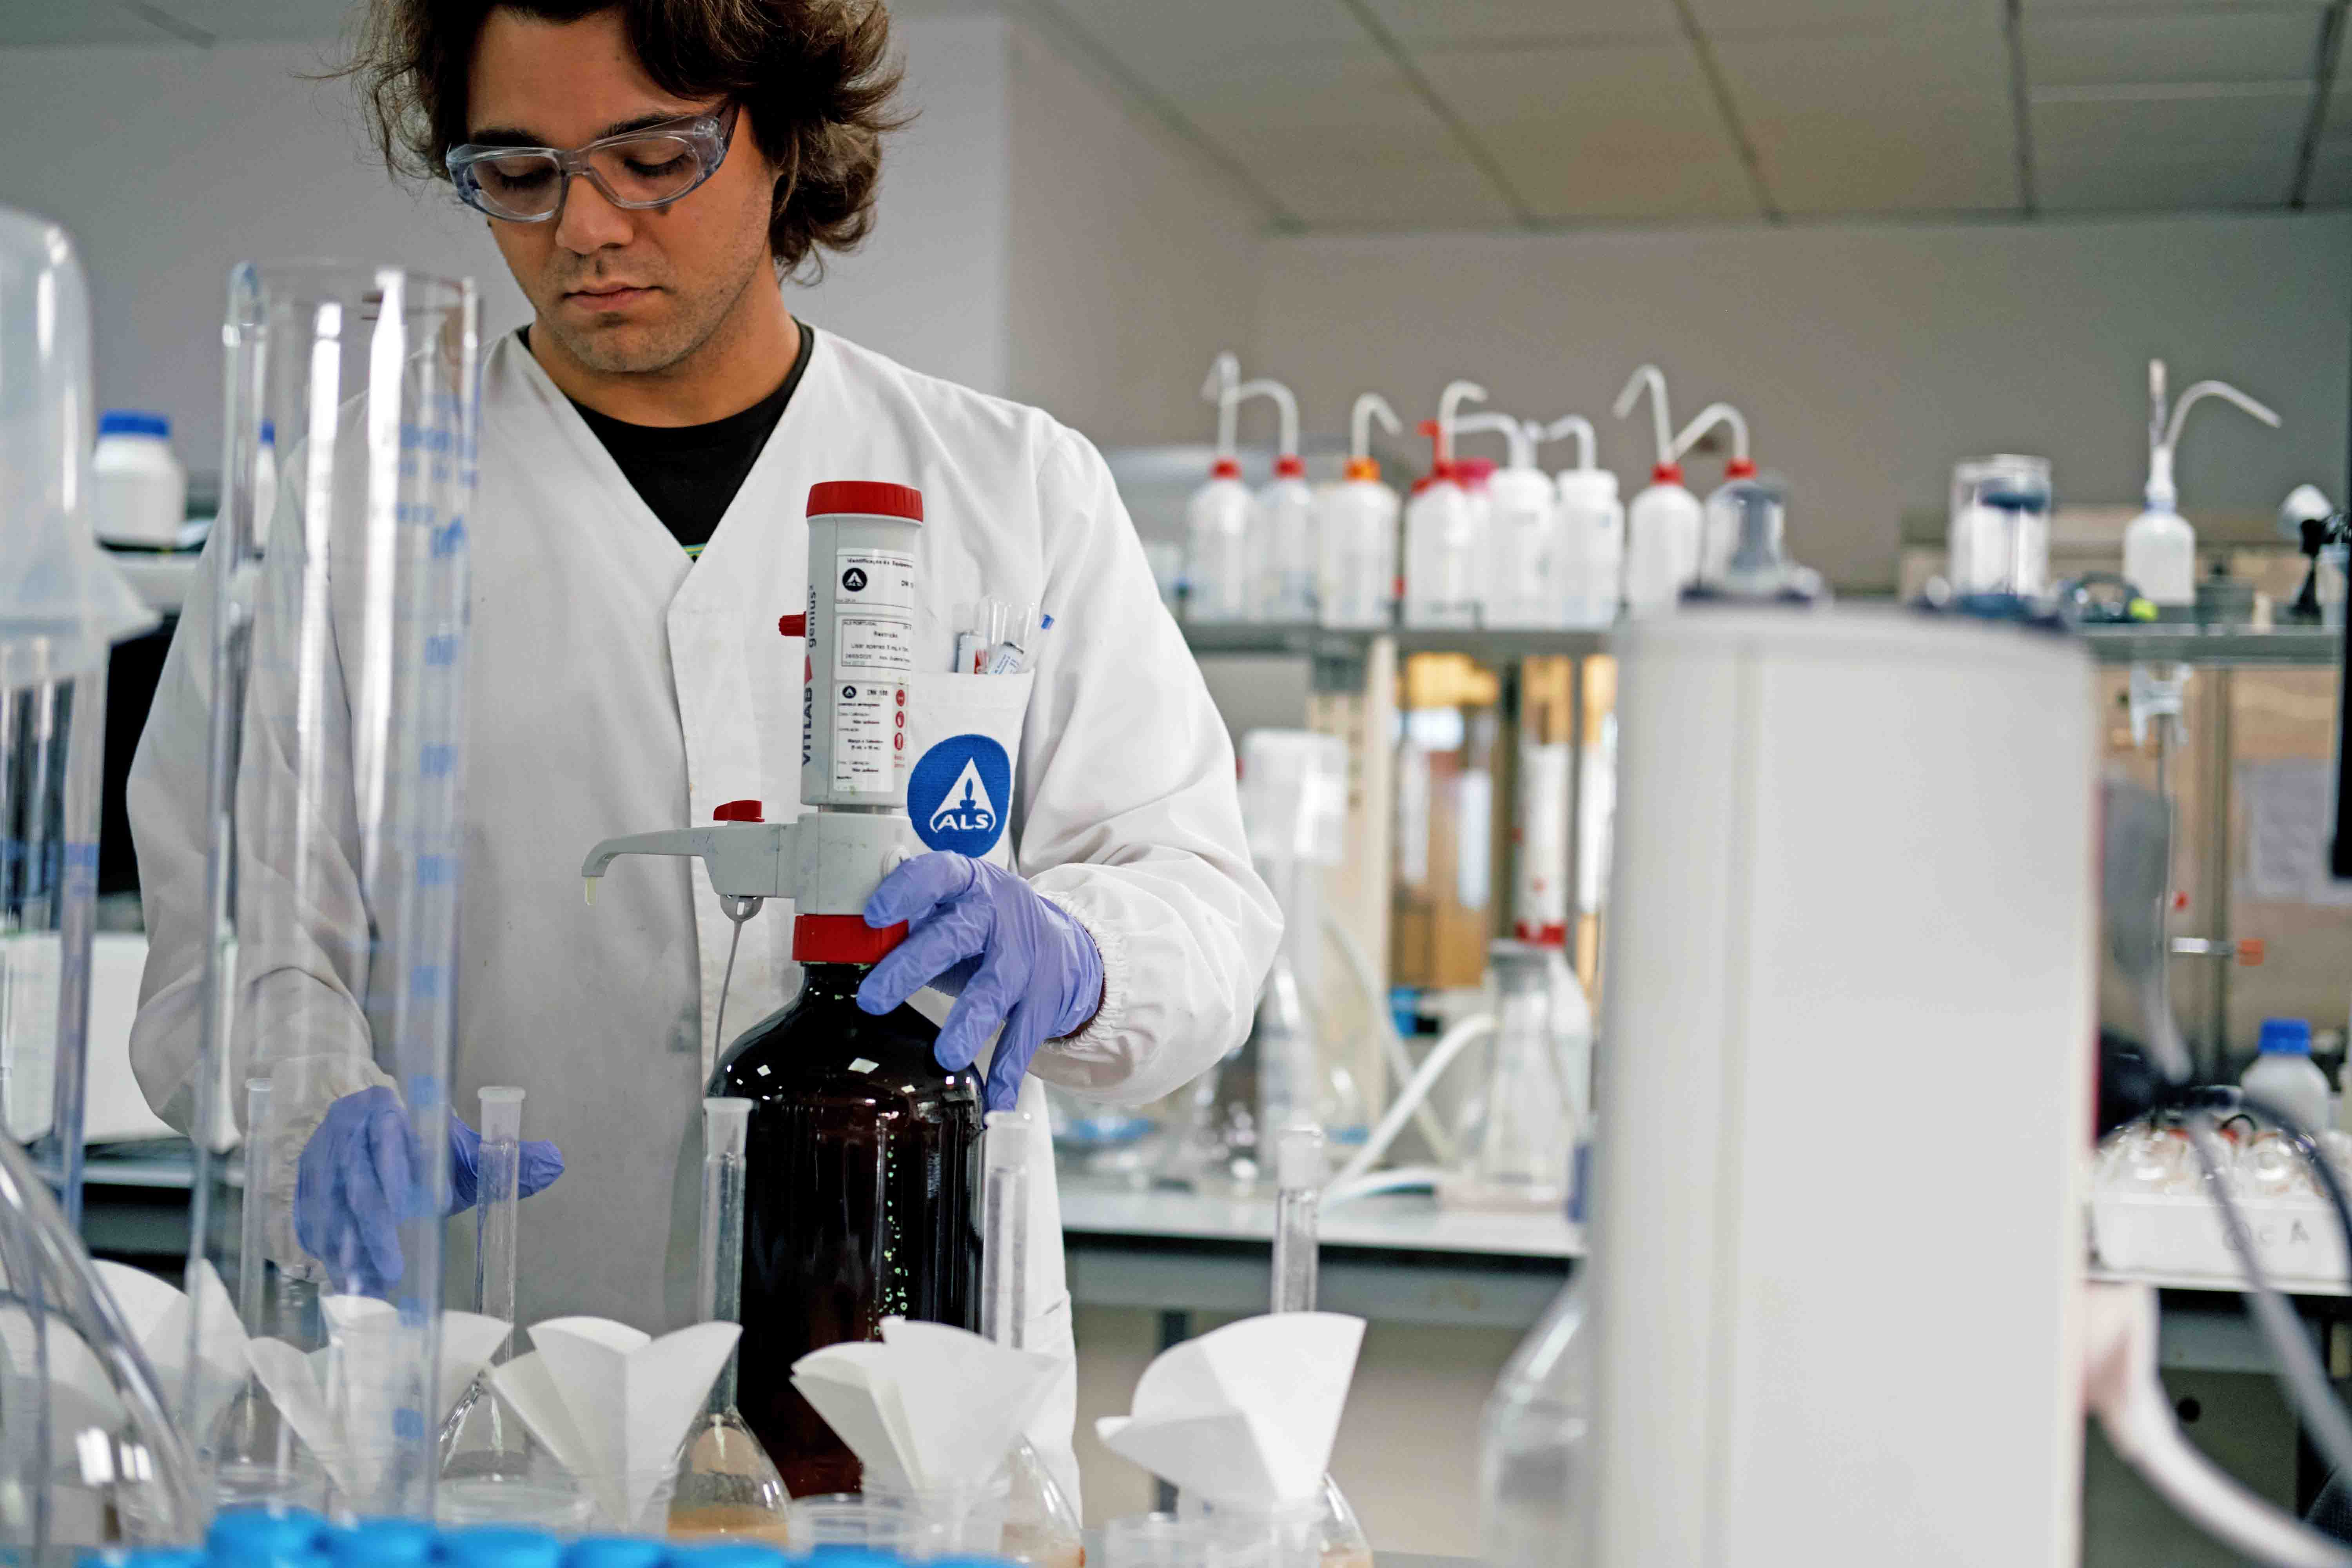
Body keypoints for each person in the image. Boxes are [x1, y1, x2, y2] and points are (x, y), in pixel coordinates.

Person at [125, 0, 1278, 1494]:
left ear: (784, 136)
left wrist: (1081, 957)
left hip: (916, 1428)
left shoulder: (1016, 487)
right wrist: (316, 1107)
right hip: (503, 1415)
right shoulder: (344, 510)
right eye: (520, 174)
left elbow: (1200, 898)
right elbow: (237, 936)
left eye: (651, 157)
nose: (585, 228)